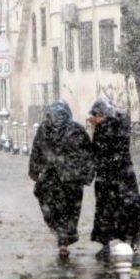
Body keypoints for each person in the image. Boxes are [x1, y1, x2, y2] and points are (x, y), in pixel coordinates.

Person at [29, 100, 94, 259]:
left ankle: (62, 236)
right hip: (70, 180)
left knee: (56, 210)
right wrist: (87, 175)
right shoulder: (76, 129)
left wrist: (34, 171)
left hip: (57, 179)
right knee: (70, 211)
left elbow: (36, 151)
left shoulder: (46, 129)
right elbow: (88, 154)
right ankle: (65, 237)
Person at [88, 97, 140, 257]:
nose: (95, 118)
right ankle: (106, 242)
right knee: (105, 210)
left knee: (128, 205)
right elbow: (96, 150)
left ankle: (132, 235)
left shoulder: (117, 125)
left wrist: (102, 123)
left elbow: (113, 146)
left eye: (97, 115)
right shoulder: (102, 127)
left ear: (104, 114)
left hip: (121, 174)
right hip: (105, 175)